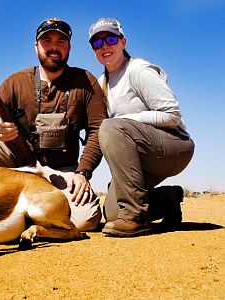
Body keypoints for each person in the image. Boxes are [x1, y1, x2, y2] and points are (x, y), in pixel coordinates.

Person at [0, 18, 108, 231]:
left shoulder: (85, 80)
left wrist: (83, 172)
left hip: (65, 171)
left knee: (85, 221)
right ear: (36, 46)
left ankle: (30, 218)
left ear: (69, 47)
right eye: (47, 40)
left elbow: (98, 129)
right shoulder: (15, 82)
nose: (54, 47)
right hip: (22, 167)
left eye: (61, 41)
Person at [88, 18, 195, 237]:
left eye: (110, 39)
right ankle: (168, 199)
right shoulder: (102, 83)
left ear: (123, 41)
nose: (104, 47)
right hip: (140, 157)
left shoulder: (138, 70)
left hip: (174, 147)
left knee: (111, 127)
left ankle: (136, 218)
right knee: (113, 212)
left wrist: (128, 119)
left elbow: (172, 115)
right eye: (97, 44)